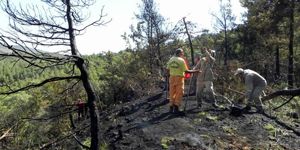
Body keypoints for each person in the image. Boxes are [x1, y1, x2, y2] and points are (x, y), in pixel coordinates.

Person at [166, 48, 200, 114]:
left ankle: (171, 107)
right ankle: (176, 107)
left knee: (172, 92)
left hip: (172, 77)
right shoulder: (181, 60)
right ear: (179, 53)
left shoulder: (171, 59)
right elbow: (186, 71)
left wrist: (168, 75)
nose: (183, 54)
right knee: (179, 92)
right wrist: (196, 71)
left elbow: (167, 69)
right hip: (179, 78)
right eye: (182, 52)